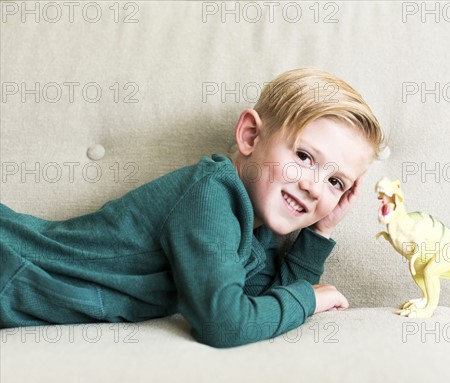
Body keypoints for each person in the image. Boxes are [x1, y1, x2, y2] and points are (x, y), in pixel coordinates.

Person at [0, 67, 385, 347]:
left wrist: (320, 233)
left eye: (336, 182)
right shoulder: (209, 198)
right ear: (250, 135)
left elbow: (261, 306)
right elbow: (226, 324)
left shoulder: (256, 227)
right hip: (14, 266)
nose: (313, 187)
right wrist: (311, 298)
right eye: (304, 156)